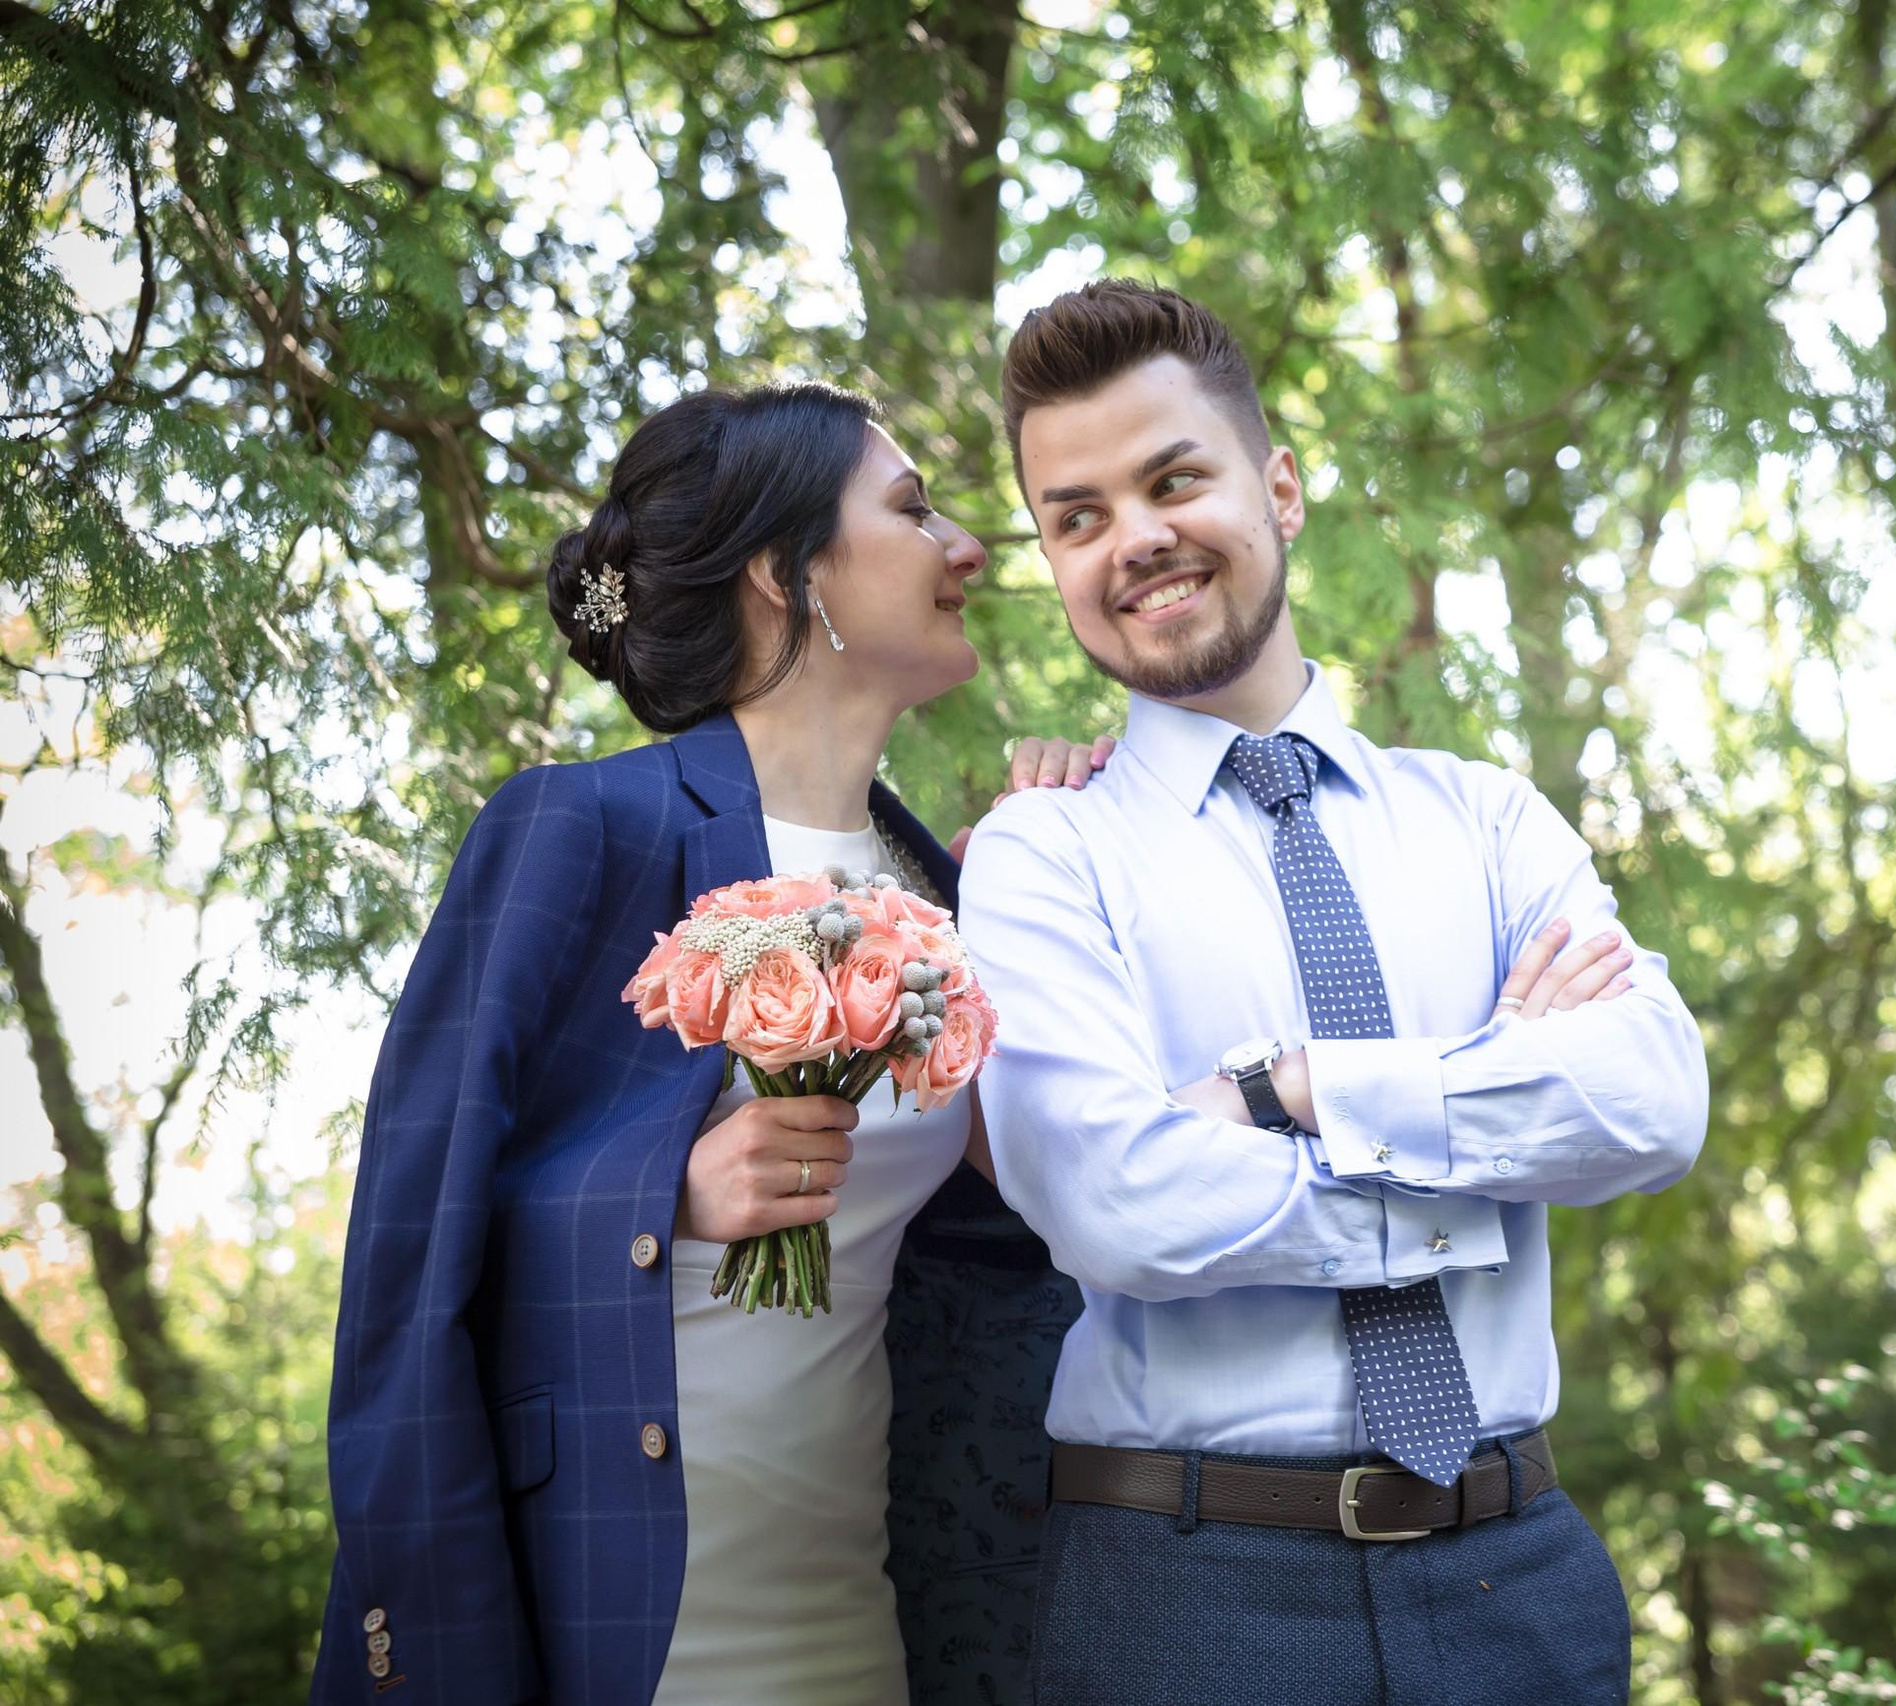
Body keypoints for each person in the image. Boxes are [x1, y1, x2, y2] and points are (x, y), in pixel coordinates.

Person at [959, 279, 1711, 1706]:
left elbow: (1653, 1103)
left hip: (1522, 1582)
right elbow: (1111, 1202)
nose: (1137, 539)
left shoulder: (1488, 819)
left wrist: (1290, 1089)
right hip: (1184, 1600)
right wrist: (1479, 1140)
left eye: (1175, 480)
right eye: (1079, 517)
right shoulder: (1040, 853)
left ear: (1282, 488)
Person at [312, 382, 1104, 1706]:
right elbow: (409, 1259)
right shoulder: (579, 830)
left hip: (863, 1621)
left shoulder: (947, 895)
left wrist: (1065, 866)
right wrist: (662, 1194)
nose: (967, 545)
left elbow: (1043, 1220)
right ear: (786, 572)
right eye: (913, 510)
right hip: (609, 1629)